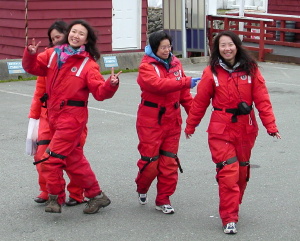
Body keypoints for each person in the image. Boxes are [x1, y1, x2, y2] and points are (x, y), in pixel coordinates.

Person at [185, 30, 281, 234]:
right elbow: (200, 102)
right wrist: (191, 125)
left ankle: (233, 206)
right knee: (229, 172)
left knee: (241, 172)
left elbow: (262, 100)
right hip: (221, 129)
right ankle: (229, 217)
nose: (227, 49)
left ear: (236, 46)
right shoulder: (211, 72)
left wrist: (270, 127)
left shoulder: (251, 69)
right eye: (222, 46)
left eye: (230, 44)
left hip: (246, 128)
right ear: (217, 49)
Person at [22, 19, 121, 214]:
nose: (76, 35)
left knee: (51, 158)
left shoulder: (88, 64)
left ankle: (54, 199)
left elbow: (100, 93)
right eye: (73, 31)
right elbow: (32, 68)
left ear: (86, 40)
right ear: (68, 34)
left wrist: (111, 84)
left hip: (72, 119)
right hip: (53, 116)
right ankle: (97, 195)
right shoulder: (52, 55)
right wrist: (30, 55)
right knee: (74, 160)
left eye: (81, 33)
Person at [135, 30, 200, 214]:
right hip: (150, 120)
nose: (166, 50)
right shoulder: (146, 66)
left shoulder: (175, 63)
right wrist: (185, 82)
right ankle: (142, 187)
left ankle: (163, 198)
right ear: (155, 48)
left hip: (172, 120)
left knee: (169, 162)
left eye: (168, 46)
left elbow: (185, 96)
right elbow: (157, 85)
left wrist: (193, 118)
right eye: (162, 47)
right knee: (150, 162)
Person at [27, 20, 87, 206]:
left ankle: (77, 194)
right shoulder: (47, 59)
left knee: (71, 157)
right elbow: (39, 92)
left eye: (58, 37)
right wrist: (33, 118)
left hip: (71, 117)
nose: (55, 42)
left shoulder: (82, 60)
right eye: (52, 39)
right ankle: (48, 190)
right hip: (47, 115)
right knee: (41, 155)